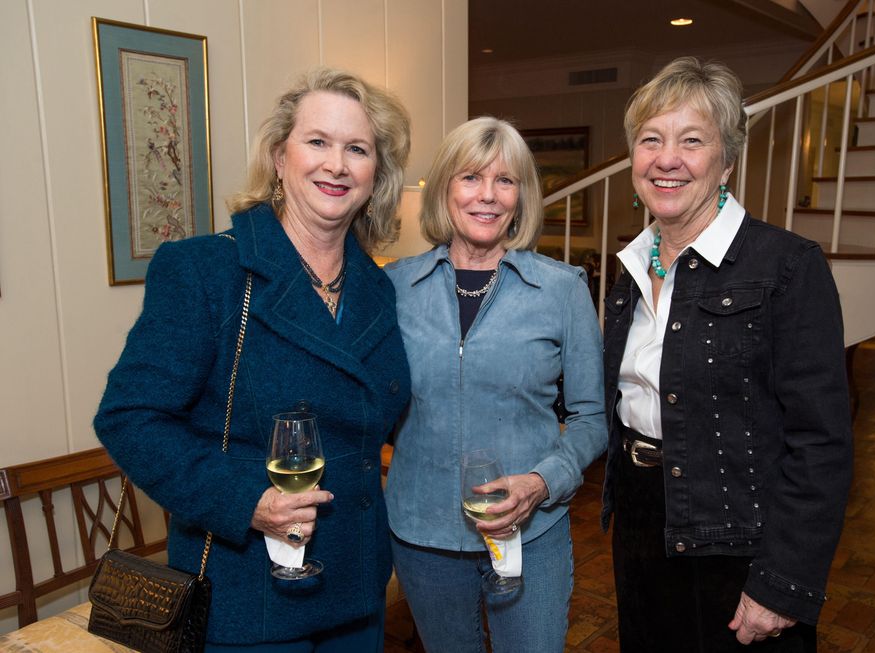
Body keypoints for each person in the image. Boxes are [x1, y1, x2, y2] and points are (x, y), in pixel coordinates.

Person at [94, 67, 412, 652]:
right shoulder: (206, 270)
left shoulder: (379, 288)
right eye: (317, 141)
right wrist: (249, 501)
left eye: (357, 149)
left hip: (355, 588)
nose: (337, 165)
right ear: (279, 157)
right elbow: (129, 418)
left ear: (376, 175)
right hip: (247, 598)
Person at [601, 57, 853, 652]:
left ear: (728, 162)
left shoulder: (787, 267)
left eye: (692, 141)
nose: (667, 159)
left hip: (737, 540)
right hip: (640, 522)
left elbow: (821, 442)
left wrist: (782, 583)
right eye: (651, 140)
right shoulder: (630, 270)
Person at [384, 116, 606, 653]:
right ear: (444, 190)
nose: (488, 195)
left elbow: (592, 418)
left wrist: (541, 483)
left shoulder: (562, 290)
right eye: (471, 178)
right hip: (424, 536)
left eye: (505, 180)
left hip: (532, 532)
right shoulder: (394, 288)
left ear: (521, 196)